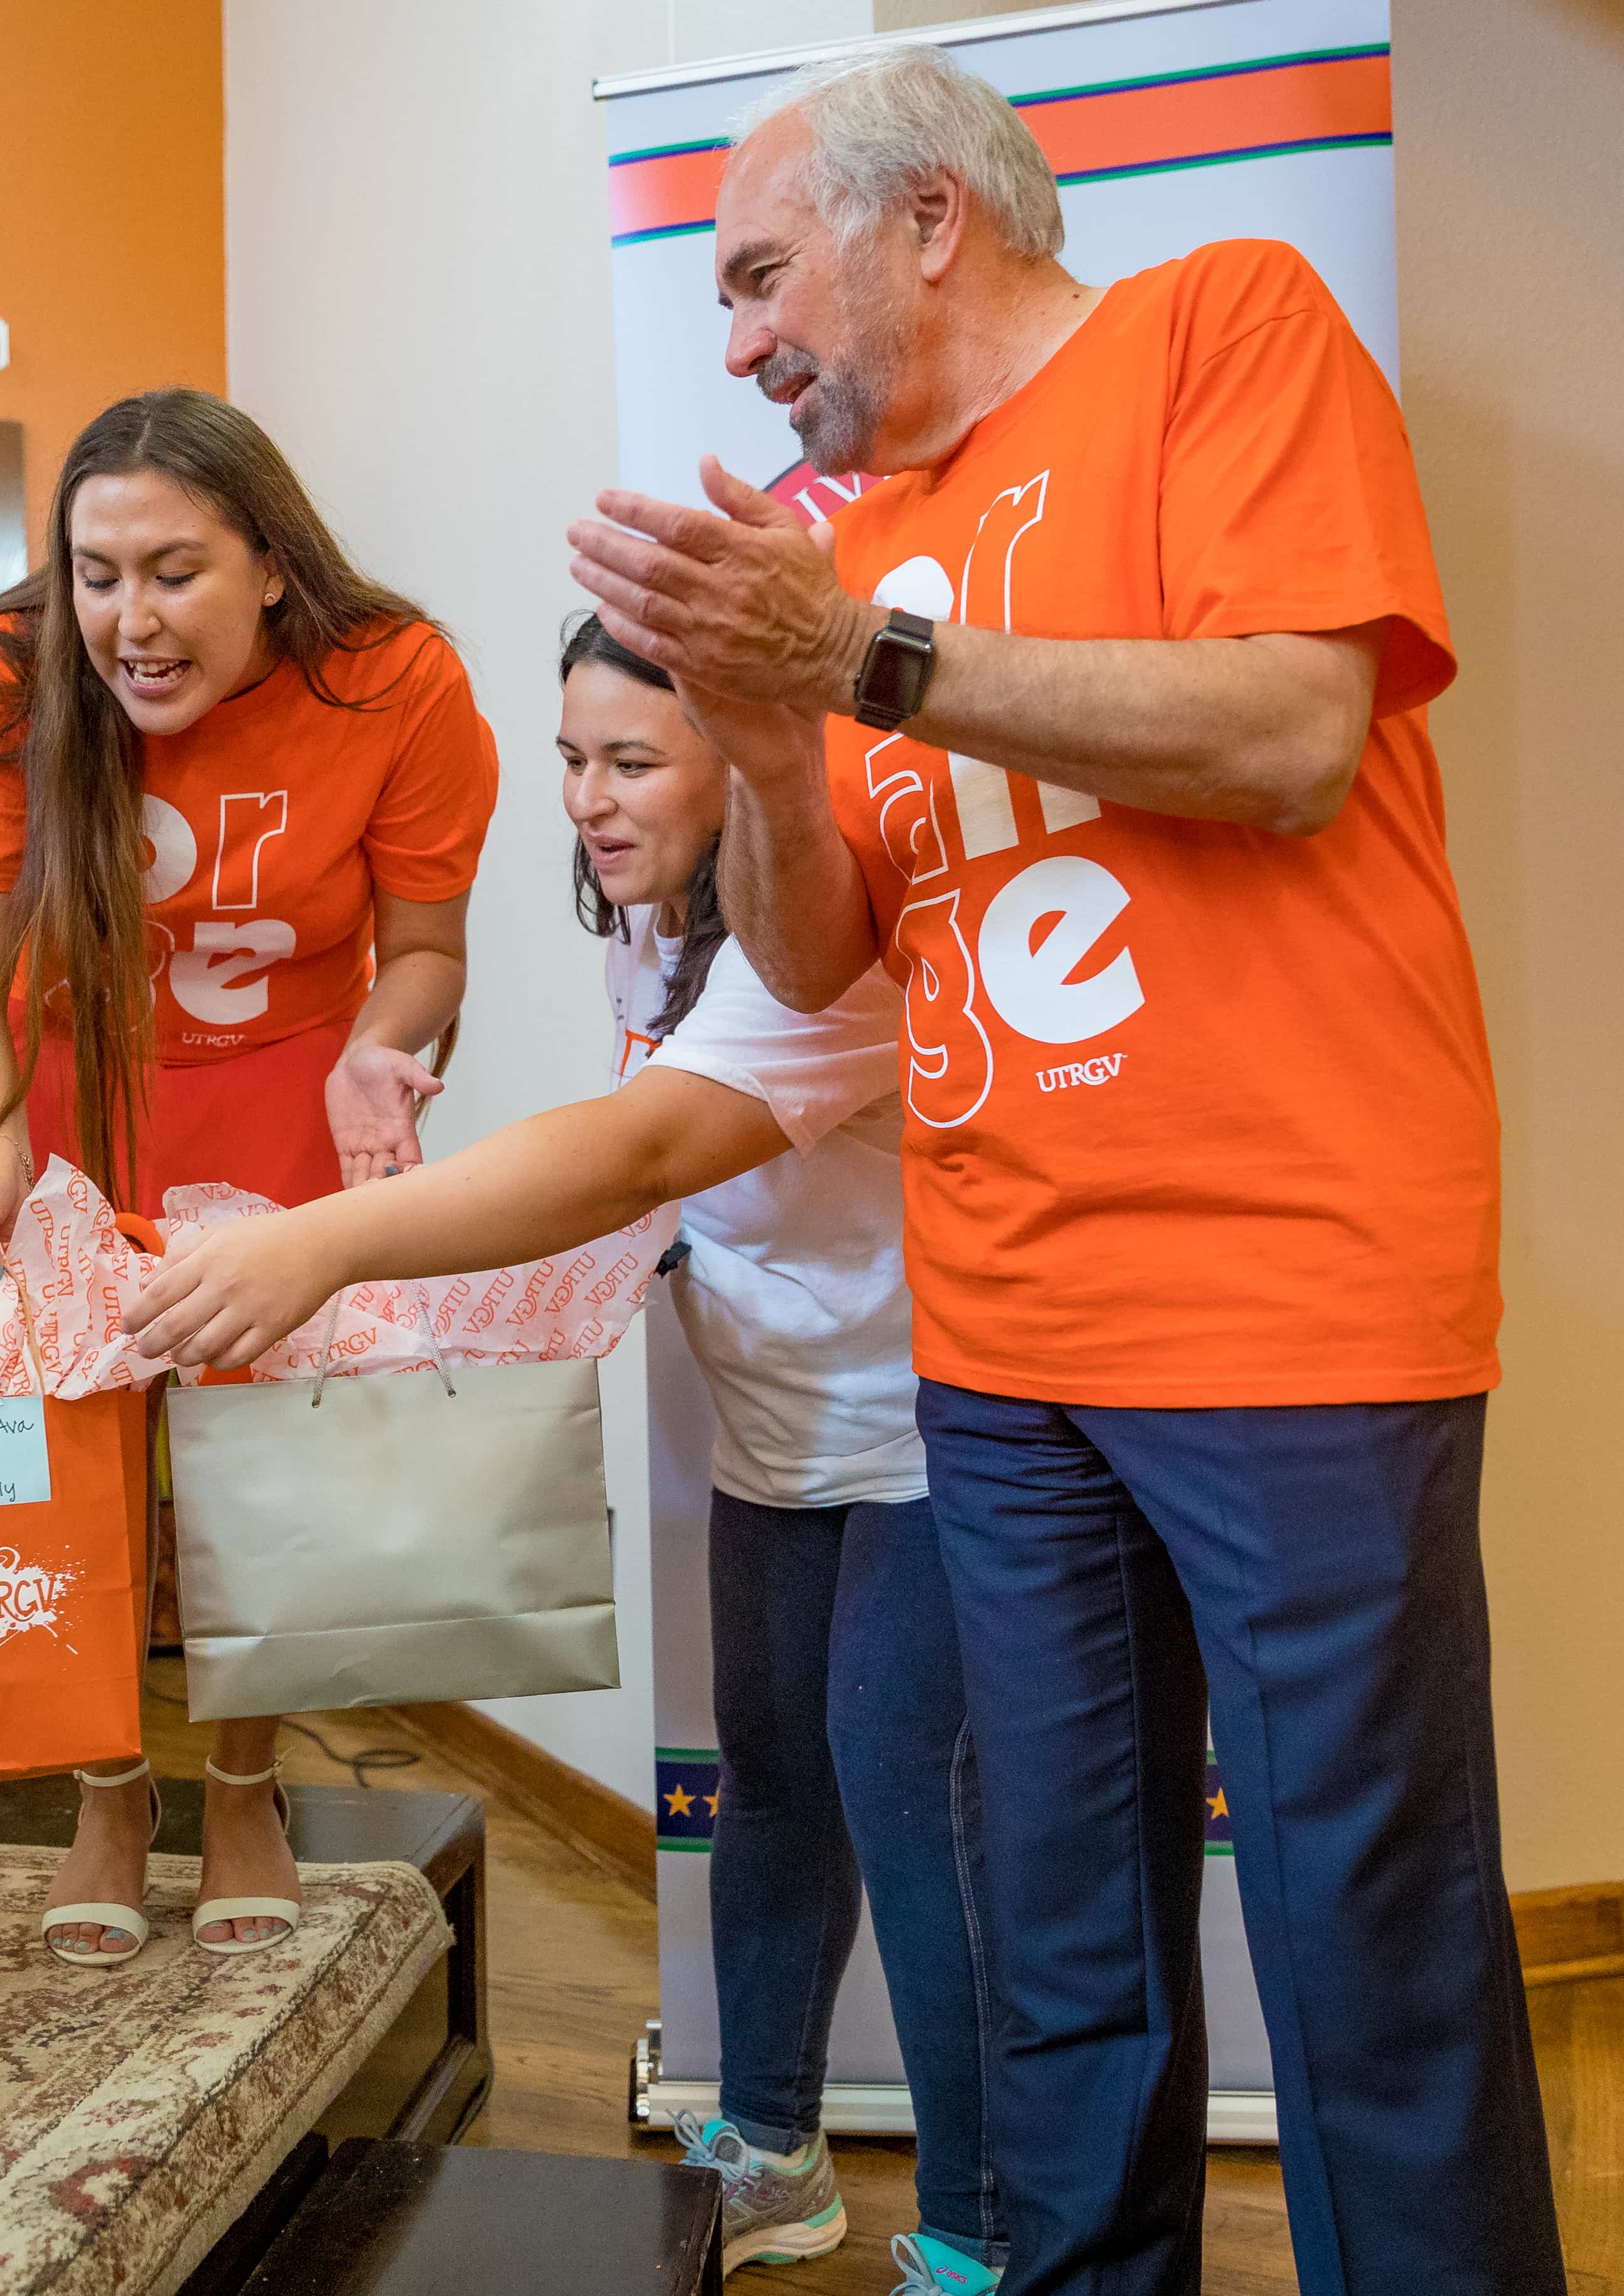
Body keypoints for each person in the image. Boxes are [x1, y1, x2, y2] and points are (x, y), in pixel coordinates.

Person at [564, 42, 1562, 2296]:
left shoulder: (1228, 324)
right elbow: (828, 956)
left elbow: (1298, 729)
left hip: (1294, 1304)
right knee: (1066, 1938)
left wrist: (860, 659)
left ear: (931, 216)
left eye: (755, 274)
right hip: (1004, 1346)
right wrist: (767, 747)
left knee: (1365, 1944)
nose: (732, 339)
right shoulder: (848, 554)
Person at [125, 613, 1005, 2291]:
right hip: (774, 1431)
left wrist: (338, 1242)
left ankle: (982, 2233)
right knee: (775, 1785)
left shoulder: (821, 953)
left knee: (914, 1820)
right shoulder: (654, 931)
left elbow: (639, 1147)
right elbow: (668, 1183)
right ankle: (773, 2152)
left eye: (632, 762)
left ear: (744, 767)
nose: (591, 801)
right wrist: (408, 1163)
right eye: (573, 761)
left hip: (926, 1441)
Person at [0, 389, 499, 1963]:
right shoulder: (7, 677)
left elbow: (425, 949)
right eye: (96, 575)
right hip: (65, 1104)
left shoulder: (394, 682)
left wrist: (382, 1050)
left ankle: (245, 1786)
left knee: (265, 1485)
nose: (127, 619)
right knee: (63, 1469)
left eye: (171, 572)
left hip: (283, 1109)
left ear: (269, 567)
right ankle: (111, 1796)